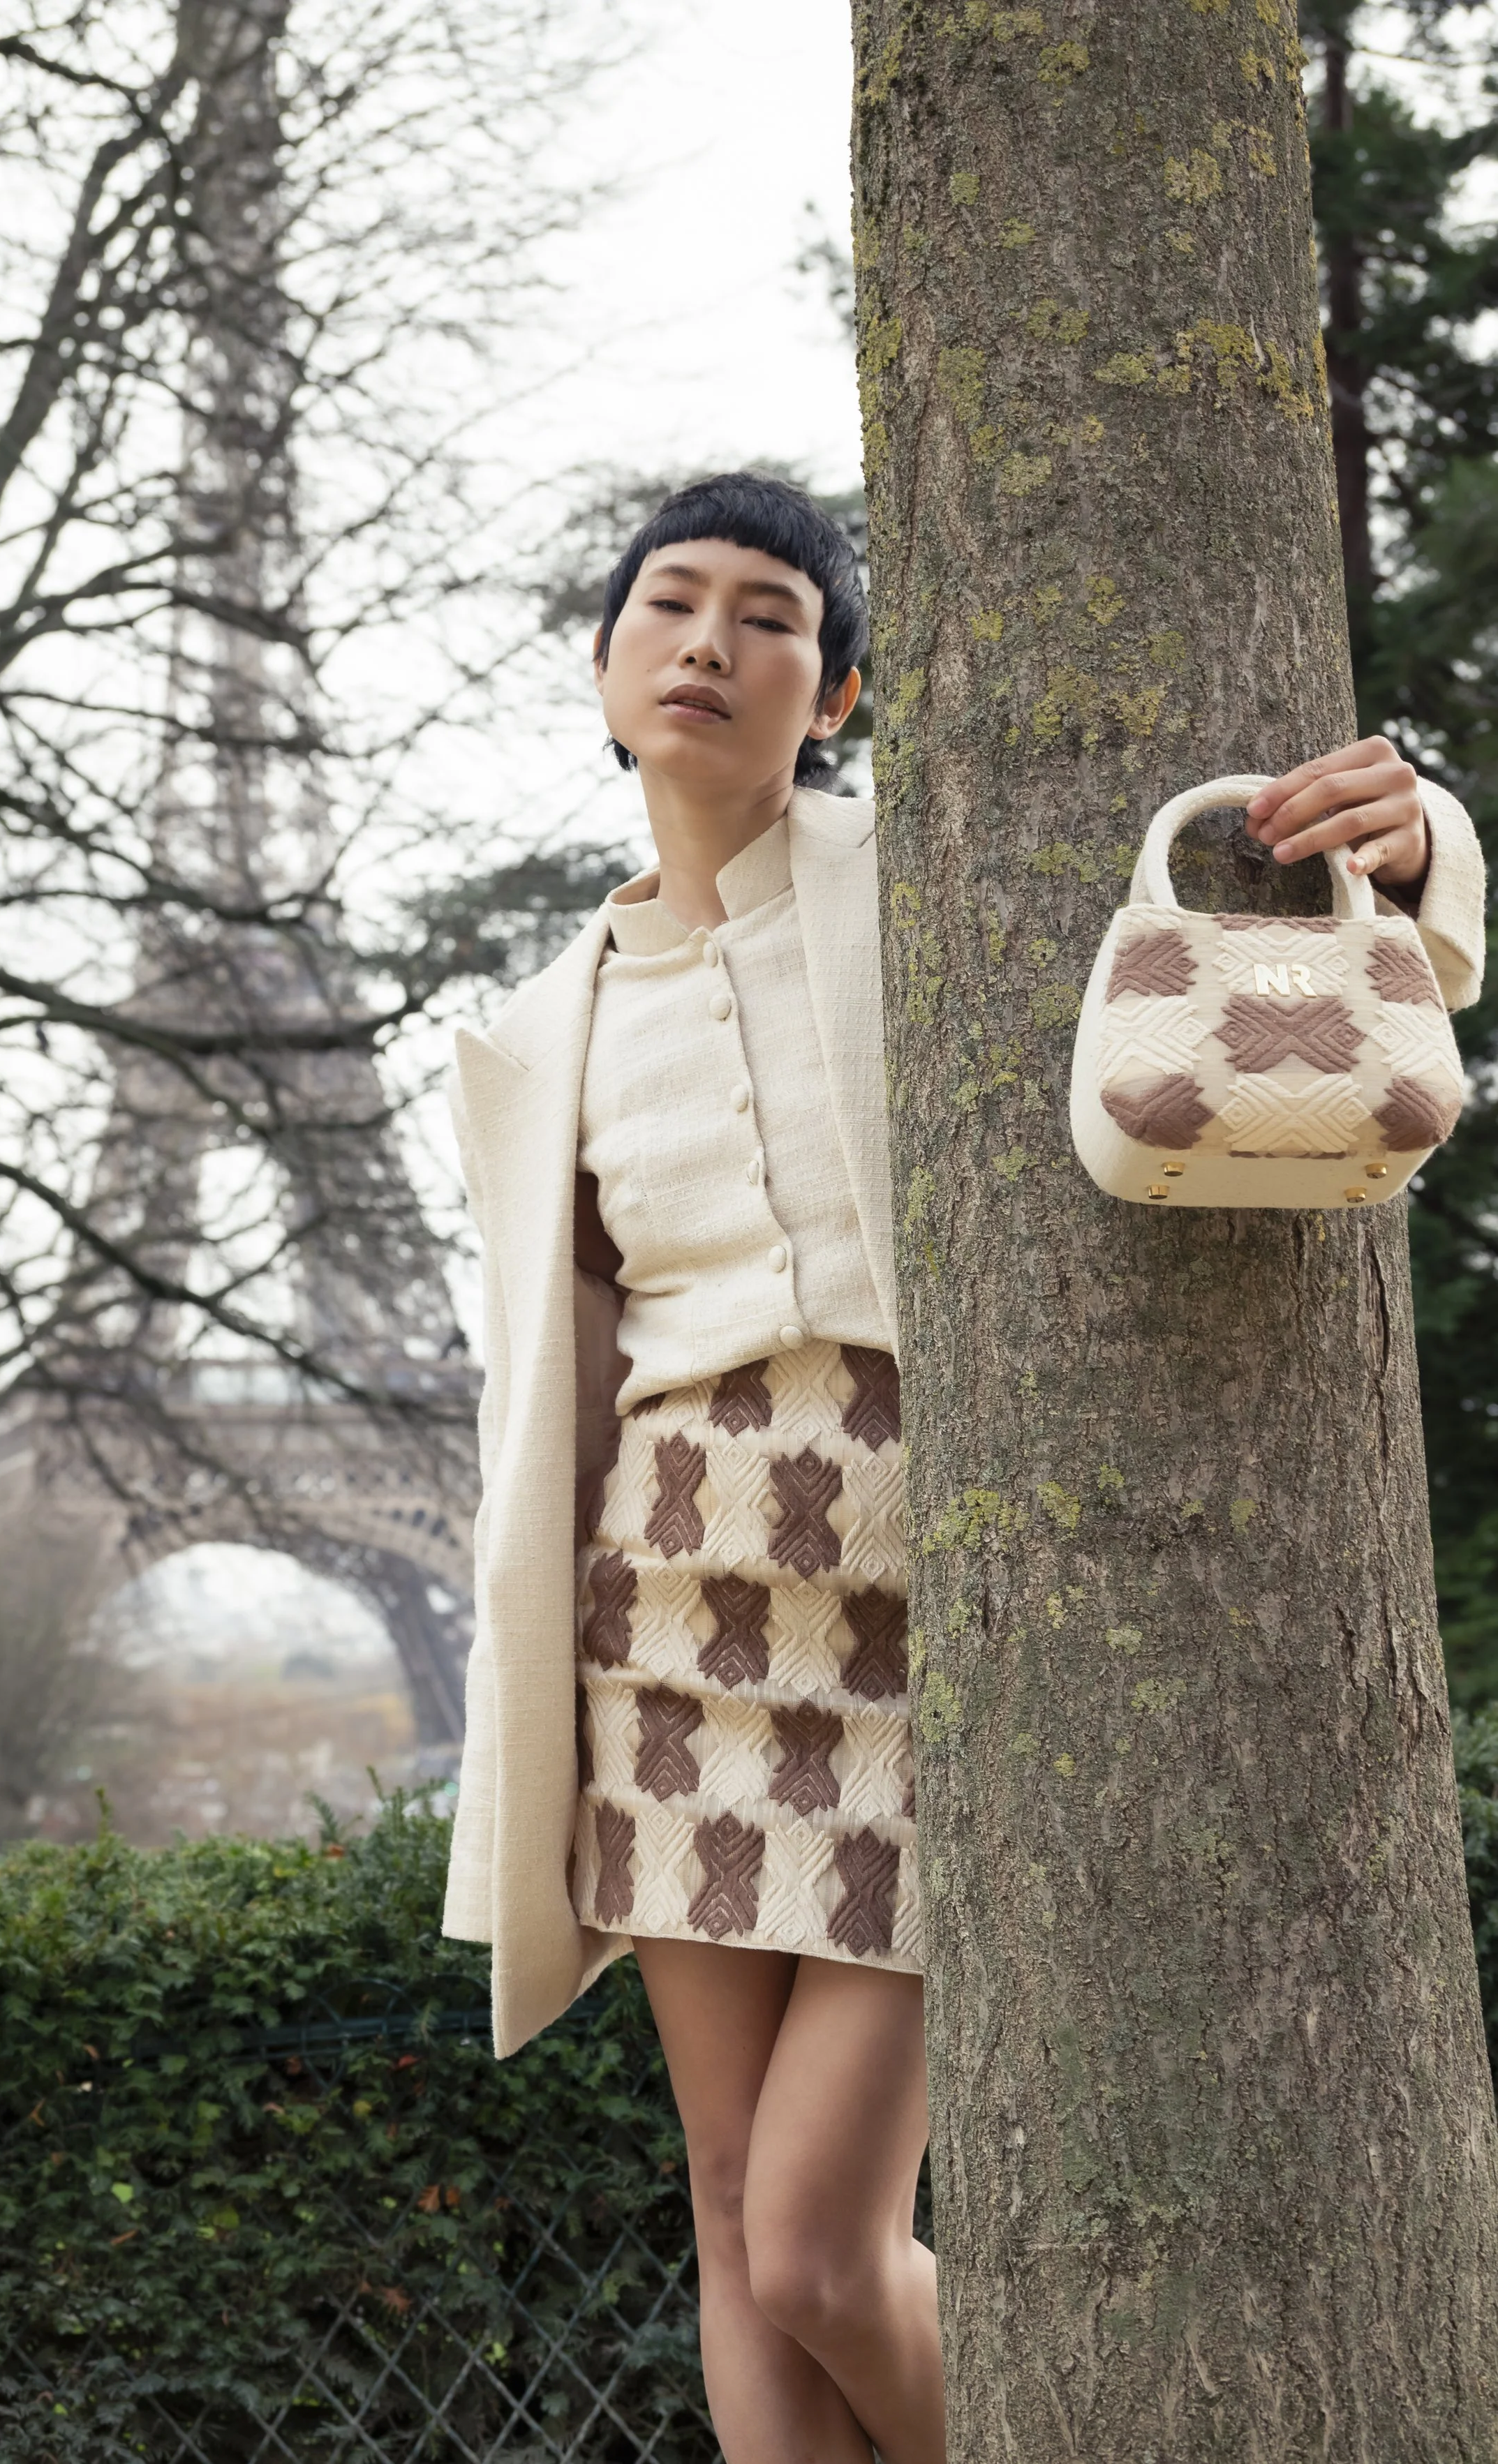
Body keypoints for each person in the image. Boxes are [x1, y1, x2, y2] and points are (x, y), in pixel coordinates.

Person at [437, 472, 1488, 2464]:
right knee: (734, 2219)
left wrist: (1421, 838)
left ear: (833, 694)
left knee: (823, 2248)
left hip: (933, 1628)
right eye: (669, 602)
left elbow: (1242, 937)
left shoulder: (928, 885)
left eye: (769, 615)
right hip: (662, 1646)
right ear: (599, 667)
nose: (708, 641)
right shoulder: (528, 1033)